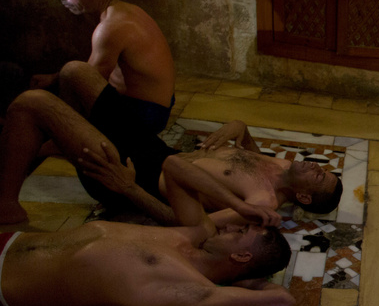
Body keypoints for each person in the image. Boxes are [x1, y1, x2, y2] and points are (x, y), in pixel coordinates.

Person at [0, 152, 295, 306]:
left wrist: (250, 281)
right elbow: (174, 166)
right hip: (11, 240)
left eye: (240, 231)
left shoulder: (192, 288)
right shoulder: (197, 232)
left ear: (241, 257)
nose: (231, 225)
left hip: (8, 289)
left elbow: (281, 301)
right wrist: (241, 206)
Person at [0, 86, 342, 225]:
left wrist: (129, 190)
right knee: (76, 73)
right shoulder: (280, 165)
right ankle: (55, 139)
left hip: (133, 175)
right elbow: (248, 153)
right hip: (154, 147)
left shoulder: (261, 203)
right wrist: (240, 126)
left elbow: (188, 226)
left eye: (319, 175)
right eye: (322, 167)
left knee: (34, 102)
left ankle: (8, 209)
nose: (315, 165)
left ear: (303, 196)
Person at [30, 0, 176, 137]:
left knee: (45, 117)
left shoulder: (110, 28)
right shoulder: (126, 10)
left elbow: (85, 83)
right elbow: (90, 71)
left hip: (146, 116)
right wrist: (54, 78)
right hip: (153, 106)